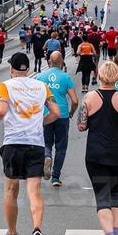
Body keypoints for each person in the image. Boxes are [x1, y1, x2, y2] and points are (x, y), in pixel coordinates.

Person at [0, 52, 60, 235]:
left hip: (13, 143)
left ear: (12, 69)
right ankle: (36, 229)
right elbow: (55, 112)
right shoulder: (41, 86)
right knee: (34, 192)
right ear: (27, 69)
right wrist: (39, 123)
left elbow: (1, 110)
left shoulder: (5, 86)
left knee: (11, 190)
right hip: (35, 144)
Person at [78, 61, 118, 235]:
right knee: (115, 194)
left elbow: (81, 126)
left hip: (95, 154)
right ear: (117, 78)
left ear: (100, 76)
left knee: (102, 195)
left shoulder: (90, 97)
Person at [36, 51, 78, 186]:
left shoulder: (40, 76)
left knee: (46, 143)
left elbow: (35, 98)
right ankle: (55, 177)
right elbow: (75, 100)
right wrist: (71, 112)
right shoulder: (66, 77)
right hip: (62, 114)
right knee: (61, 147)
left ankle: (47, 156)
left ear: (49, 61)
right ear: (62, 62)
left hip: (46, 114)